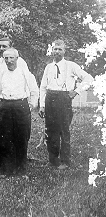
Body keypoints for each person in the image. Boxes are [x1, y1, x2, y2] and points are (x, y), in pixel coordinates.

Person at [39, 40, 93, 170]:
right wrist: (42, 105)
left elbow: (89, 79)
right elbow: (43, 87)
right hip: (50, 98)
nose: (57, 51)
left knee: (64, 131)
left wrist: (76, 91)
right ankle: (53, 160)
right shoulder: (48, 67)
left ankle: (65, 161)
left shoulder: (71, 65)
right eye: (55, 49)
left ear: (64, 51)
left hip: (64, 99)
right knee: (50, 131)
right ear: (51, 51)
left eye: (59, 49)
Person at [0, 48, 38, 175]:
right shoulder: (1, 73)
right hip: (5, 105)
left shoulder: (24, 73)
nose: (9, 61)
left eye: (11, 58)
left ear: (17, 58)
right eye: (6, 58)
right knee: (5, 138)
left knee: (22, 137)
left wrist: (31, 105)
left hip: (21, 105)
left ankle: (21, 168)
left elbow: (34, 90)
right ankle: (8, 168)